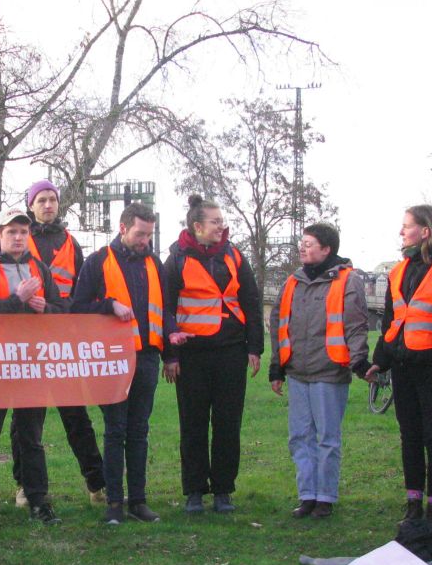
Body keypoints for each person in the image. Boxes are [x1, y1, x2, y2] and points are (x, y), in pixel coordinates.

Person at [365, 205, 432, 523]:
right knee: (409, 435)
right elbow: (392, 323)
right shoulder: (399, 271)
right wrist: (379, 362)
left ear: (426, 231)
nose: (401, 232)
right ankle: (413, 504)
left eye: (406, 226)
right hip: (402, 366)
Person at [0, 206, 67, 528]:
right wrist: (17, 300)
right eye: (12, 231)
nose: (19, 237)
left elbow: (63, 310)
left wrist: (45, 308)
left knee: (31, 437)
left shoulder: (40, 268)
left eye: (24, 231)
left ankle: (38, 501)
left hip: (31, 365)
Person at [72, 202, 173, 525]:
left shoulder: (154, 263)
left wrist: (171, 353)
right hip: (111, 360)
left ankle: (138, 501)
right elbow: (77, 308)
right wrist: (109, 305)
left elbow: (165, 310)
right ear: (123, 228)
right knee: (115, 430)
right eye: (140, 234)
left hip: (146, 357)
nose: (145, 240)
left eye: (149, 235)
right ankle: (114, 503)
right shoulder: (98, 261)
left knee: (139, 431)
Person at [163, 195, 263, 514]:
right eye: (215, 221)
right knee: (192, 424)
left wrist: (255, 348)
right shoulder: (176, 258)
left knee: (227, 423)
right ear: (197, 226)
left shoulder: (234, 255)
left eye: (222, 221)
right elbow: (164, 310)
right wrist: (171, 355)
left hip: (230, 353)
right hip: (191, 355)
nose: (221, 226)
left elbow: (250, 300)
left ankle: (223, 490)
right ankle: (194, 491)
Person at [10, 179, 106, 505]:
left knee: (76, 415)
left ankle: (97, 483)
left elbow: (81, 290)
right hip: (27, 340)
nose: (48, 205)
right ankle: (24, 485)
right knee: (26, 419)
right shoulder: (18, 240)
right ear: (31, 205)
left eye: (52, 199)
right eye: (41, 200)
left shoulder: (70, 243)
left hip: (63, 338)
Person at [268, 223, 369, 518]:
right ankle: (307, 495)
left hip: (329, 372)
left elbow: (356, 325)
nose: (303, 247)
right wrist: (277, 368)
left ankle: (325, 497)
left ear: (327, 249)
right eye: (302, 242)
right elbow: (278, 325)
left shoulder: (348, 281)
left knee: (327, 437)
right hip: (298, 372)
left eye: (309, 243)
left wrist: (359, 361)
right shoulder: (292, 283)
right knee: (299, 436)